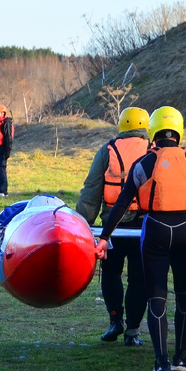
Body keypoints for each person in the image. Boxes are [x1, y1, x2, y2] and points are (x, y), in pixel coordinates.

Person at [98, 106, 186, 371]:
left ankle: (161, 364)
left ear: (153, 131)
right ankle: (181, 357)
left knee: (157, 296)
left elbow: (122, 203)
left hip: (155, 230)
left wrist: (104, 237)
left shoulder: (143, 164)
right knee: (184, 295)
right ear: (179, 131)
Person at [75, 107, 151, 347]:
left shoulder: (107, 151)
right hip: (144, 228)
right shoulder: (154, 151)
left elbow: (91, 191)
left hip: (112, 228)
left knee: (110, 273)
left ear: (121, 126)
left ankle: (114, 320)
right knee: (140, 279)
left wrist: (82, 223)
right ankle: (133, 331)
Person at [0, 104, 13, 195]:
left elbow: (8, 138)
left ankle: (3, 191)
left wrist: (7, 151)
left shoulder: (6, 123)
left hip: (3, 150)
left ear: (4, 113)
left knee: (1, 170)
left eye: (1, 113)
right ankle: (0, 190)